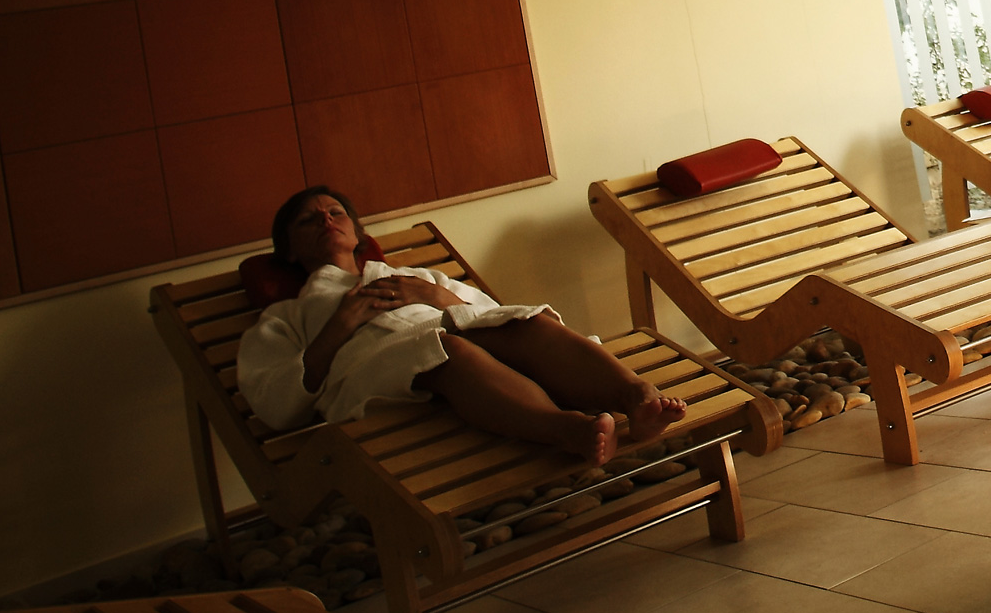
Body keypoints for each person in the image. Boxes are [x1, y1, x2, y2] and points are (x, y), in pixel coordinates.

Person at [237, 186, 685, 465]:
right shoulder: (286, 316)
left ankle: (638, 397)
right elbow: (277, 404)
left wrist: (438, 298)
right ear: (288, 250)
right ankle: (567, 429)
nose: (326, 220)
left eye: (335, 212)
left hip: (448, 337)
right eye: (308, 219)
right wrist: (339, 326)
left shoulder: (414, 277)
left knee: (527, 323)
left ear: (357, 232)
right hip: (372, 376)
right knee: (448, 350)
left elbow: (490, 314)